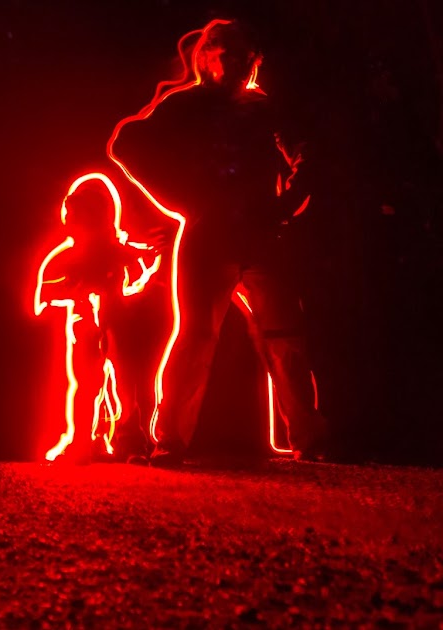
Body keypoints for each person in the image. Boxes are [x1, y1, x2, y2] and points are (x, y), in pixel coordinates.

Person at [110, 20, 327, 466]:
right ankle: (170, 440)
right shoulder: (188, 105)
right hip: (215, 234)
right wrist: (182, 198)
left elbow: (305, 153)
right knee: (196, 338)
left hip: (257, 235)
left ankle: (307, 435)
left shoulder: (261, 108)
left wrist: (288, 203)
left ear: (254, 60)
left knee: (282, 336)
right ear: (206, 57)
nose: (238, 62)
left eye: (245, 55)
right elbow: (127, 144)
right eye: (228, 53)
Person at [34, 173, 162, 464]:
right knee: (89, 384)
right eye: (73, 213)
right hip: (85, 325)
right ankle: (85, 440)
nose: (74, 219)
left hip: (115, 323)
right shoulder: (68, 256)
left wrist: (147, 261)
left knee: (122, 384)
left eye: (83, 213)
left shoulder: (115, 251)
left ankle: (126, 440)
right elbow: (44, 294)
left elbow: (138, 273)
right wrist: (71, 290)